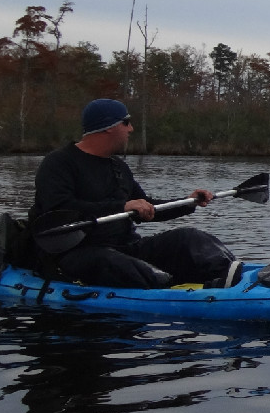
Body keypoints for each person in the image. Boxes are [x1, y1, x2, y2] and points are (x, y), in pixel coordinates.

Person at [29, 98, 240, 289]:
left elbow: (146, 206)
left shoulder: (118, 166)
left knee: (189, 237)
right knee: (125, 267)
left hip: (127, 247)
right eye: (126, 122)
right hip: (79, 252)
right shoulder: (59, 163)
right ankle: (170, 287)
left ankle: (231, 276)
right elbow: (58, 210)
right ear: (108, 127)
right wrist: (121, 207)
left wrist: (188, 202)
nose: (131, 129)